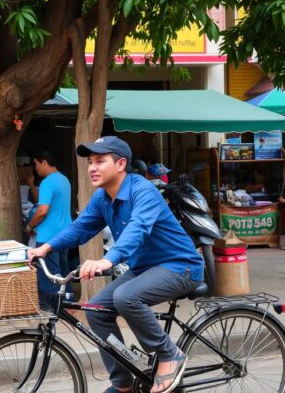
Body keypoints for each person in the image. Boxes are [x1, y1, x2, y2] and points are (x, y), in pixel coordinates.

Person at [28, 137, 203, 393]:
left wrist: (107, 260)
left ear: (121, 164)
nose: (92, 168)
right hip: (145, 268)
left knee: (125, 297)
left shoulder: (142, 191)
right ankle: (123, 383)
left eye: (100, 161)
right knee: (95, 309)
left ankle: (169, 354)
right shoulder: (102, 198)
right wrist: (46, 247)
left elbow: (138, 228)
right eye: (90, 162)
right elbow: (80, 228)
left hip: (180, 266)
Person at [24, 150, 73, 306]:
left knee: (48, 273)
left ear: (44, 162)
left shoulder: (47, 182)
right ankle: (67, 301)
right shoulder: (64, 179)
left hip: (48, 236)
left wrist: (29, 225)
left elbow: (42, 210)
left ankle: (51, 306)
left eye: (36, 164)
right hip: (65, 233)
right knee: (64, 269)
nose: (35, 169)